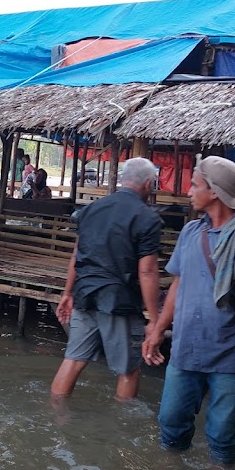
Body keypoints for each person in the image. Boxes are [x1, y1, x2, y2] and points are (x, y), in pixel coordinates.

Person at [142, 156, 235, 466]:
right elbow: (178, 284)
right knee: (171, 424)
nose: (188, 191)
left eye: (194, 185)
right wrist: (158, 329)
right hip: (186, 349)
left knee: (222, 434)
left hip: (231, 354)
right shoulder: (191, 232)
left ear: (214, 191)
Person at [51, 158, 163, 400]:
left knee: (73, 360)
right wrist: (154, 319)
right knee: (128, 370)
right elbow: (147, 271)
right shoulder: (146, 218)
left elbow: (76, 255)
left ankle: (56, 414)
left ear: (123, 180)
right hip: (118, 301)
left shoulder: (91, 209)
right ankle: (123, 426)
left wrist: (67, 293)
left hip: (84, 294)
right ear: (148, 184)